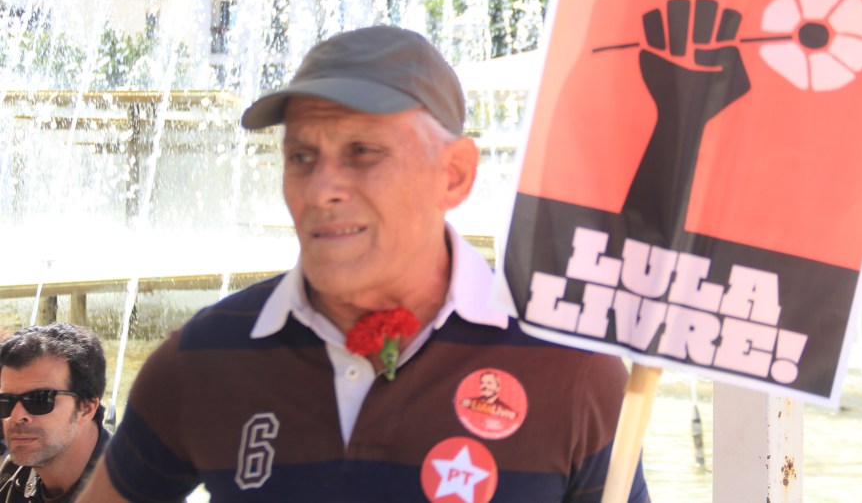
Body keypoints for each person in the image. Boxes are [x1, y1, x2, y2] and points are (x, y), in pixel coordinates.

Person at [78, 26, 649, 502]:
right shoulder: (204, 357)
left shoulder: (569, 364)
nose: (320, 189)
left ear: (454, 175)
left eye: (363, 153)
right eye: (302, 156)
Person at [0, 323, 109, 503]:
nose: (16, 416)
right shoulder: (15, 475)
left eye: (39, 399)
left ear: (86, 408)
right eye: (6, 401)